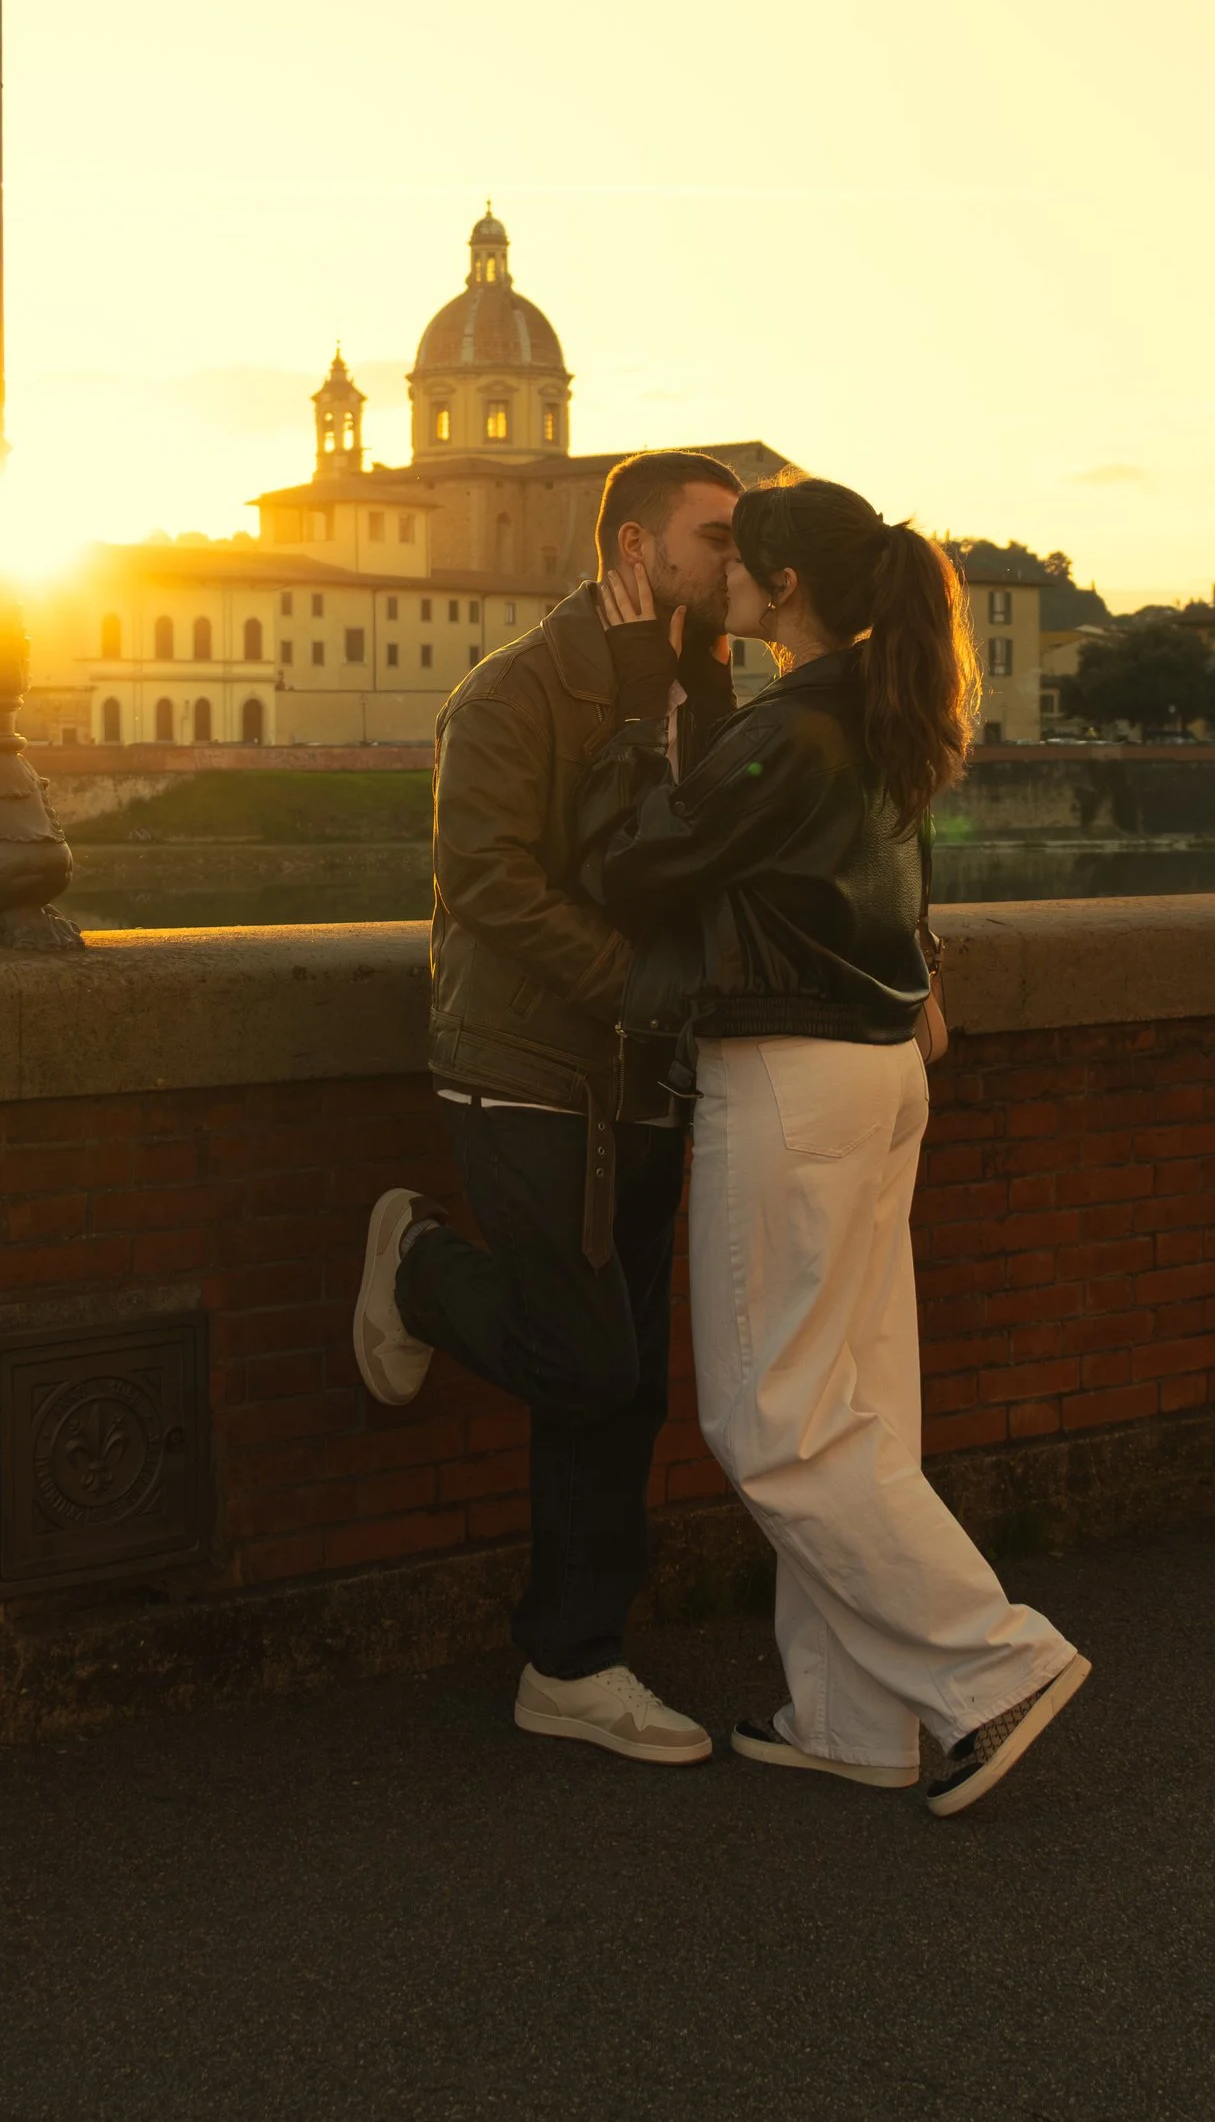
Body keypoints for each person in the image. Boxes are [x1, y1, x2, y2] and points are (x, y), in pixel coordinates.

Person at [581, 476, 1091, 1818]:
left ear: (783, 586)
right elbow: (884, 885)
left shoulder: (786, 731)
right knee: (857, 1405)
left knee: (774, 1421)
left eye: (742, 565)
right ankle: (852, 1718)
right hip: (876, 1077)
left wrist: (642, 704)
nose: (727, 585)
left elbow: (634, 867)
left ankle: (995, 1667)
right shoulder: (874, 713)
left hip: (790, 1082)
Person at [351, 449, 747, 1765]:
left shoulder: (700, 690)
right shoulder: (515, 691)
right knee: (592, 1364)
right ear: (637, 551)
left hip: (643, 1077)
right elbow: (485, 881)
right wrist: (635, 986)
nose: (736, 564)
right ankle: (417, 1269)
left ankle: (575, 1661)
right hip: (521, 1067)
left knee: (626, 1391)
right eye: (716, 538)